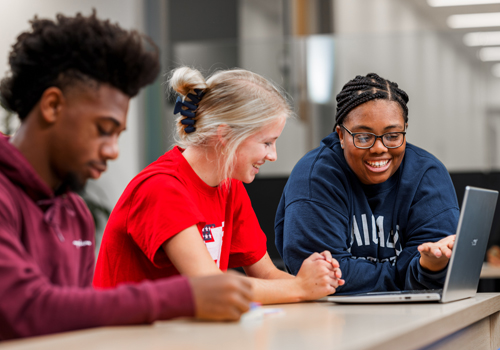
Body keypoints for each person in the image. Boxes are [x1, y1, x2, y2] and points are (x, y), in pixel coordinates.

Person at [0, 12, 255, 340]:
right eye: (103, 130)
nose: (112, 150)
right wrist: (183, 297)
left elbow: (78, 323)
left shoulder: (75, 214)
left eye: (118, 134)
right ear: (52, 106)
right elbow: (21, 309)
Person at [93, 66, 344, 304]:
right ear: (225, 135)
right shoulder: (161, 188)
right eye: (267, 142)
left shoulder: (228, 186)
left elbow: (266, 274)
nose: (272, 155)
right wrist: (300, 287)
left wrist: (315, 284)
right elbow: (210, 285)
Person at [275, 73, 459, 294]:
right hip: (333, 319)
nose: (379, 148)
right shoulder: (315, 176)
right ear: (341, 135)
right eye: (363, 136)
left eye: (392, 135)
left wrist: (430, 267)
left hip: (418, 315)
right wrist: (408, 274)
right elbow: (318, 278)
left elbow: (442, 271)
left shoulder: (427, 175)